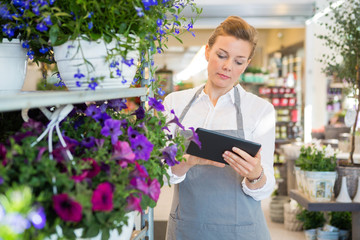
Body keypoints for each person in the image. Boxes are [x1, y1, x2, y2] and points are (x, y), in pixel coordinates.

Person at [163, 16, 276, 240]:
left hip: (242, 231)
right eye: (221, 55)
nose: (227, 67)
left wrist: (255, 175)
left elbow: (267, 185)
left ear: (247, 64)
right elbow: (160, 174)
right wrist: (185, 162)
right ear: (207, 52)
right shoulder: (175, 103)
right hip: (188, 228)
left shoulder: (260, 110)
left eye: (239, 61)